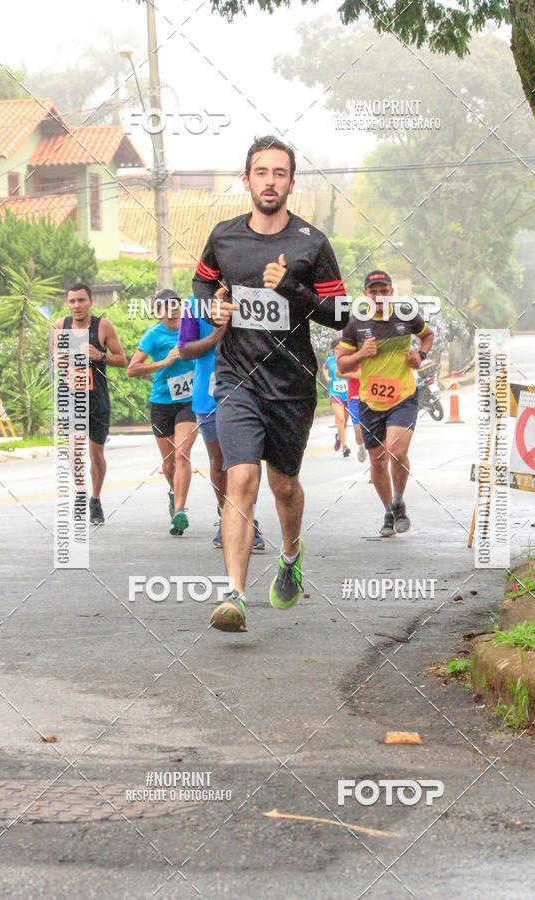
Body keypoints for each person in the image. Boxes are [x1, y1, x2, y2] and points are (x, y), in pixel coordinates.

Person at [193, 134, 348, 632]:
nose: (270, 181)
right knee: (240, 478)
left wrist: (292, 288)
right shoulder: (224, 237)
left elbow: (341, 314)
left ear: (291, 183)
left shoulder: (311, 243)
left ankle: (290, 554)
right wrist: (211, 303)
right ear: (246, 180)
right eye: (261, 172)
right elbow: (201, 280)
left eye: (279, 173)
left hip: (292, 386)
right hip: (238, 378)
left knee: (283, 485)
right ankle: (234, 595)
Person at [337, 271, 434, 536]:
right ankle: (390, 511)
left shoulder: (405, 315)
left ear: (391, 292)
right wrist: (361, 353)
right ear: (366, 294)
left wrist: (420, 355)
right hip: (370, 401)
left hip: (403, 396)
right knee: (377, 462)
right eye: (373, 291)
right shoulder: (357, 322)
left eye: (384, 291)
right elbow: (341, 364)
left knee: (396, 452)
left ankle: (399, 499)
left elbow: (428, 335)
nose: (379, 296)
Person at [177, 299, 266, 550]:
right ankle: (225, 515)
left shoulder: (251, 299)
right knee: (219, 460)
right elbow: (184, 350)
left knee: (247, 460)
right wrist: (215, 336)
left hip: (250, 392)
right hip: (208, 396)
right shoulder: (193, 306)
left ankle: (247, 518)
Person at [52, 283, 126, 525]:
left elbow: (122, 359)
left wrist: (100, 355)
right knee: (74, 450)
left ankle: (95, 498)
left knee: (96, 454)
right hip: (71, 398)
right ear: (67, 303)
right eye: (72, 301)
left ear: (90, 301)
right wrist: (59, 360)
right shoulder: (60, 327)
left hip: (97, 400)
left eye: (81, 300)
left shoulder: (102, 326)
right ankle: (81, 491)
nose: (77, 305)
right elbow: (53, 358)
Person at [127, 288, 198, 535]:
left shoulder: (191, 328)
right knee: (169, 464)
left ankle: (180, 510)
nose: (173, 310)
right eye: (167, 306)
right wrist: (164, 363)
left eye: (176, 304)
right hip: (162, 402)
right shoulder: (153, 336)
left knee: (182, 455)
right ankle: (173, 491)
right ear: (158, 312)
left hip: (190, 401)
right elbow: (132, 369)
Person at [322, 339, 351, 457]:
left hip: (347, 393)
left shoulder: (348, 360)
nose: (339, 350)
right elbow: (324, 368)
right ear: (334, 349)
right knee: (341, 418)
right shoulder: (330, 361)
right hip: (335, 393)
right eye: (337, 348)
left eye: (341, 348)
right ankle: (345, 447)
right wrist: (327, 377)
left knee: (344, 422)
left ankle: (339, 436)